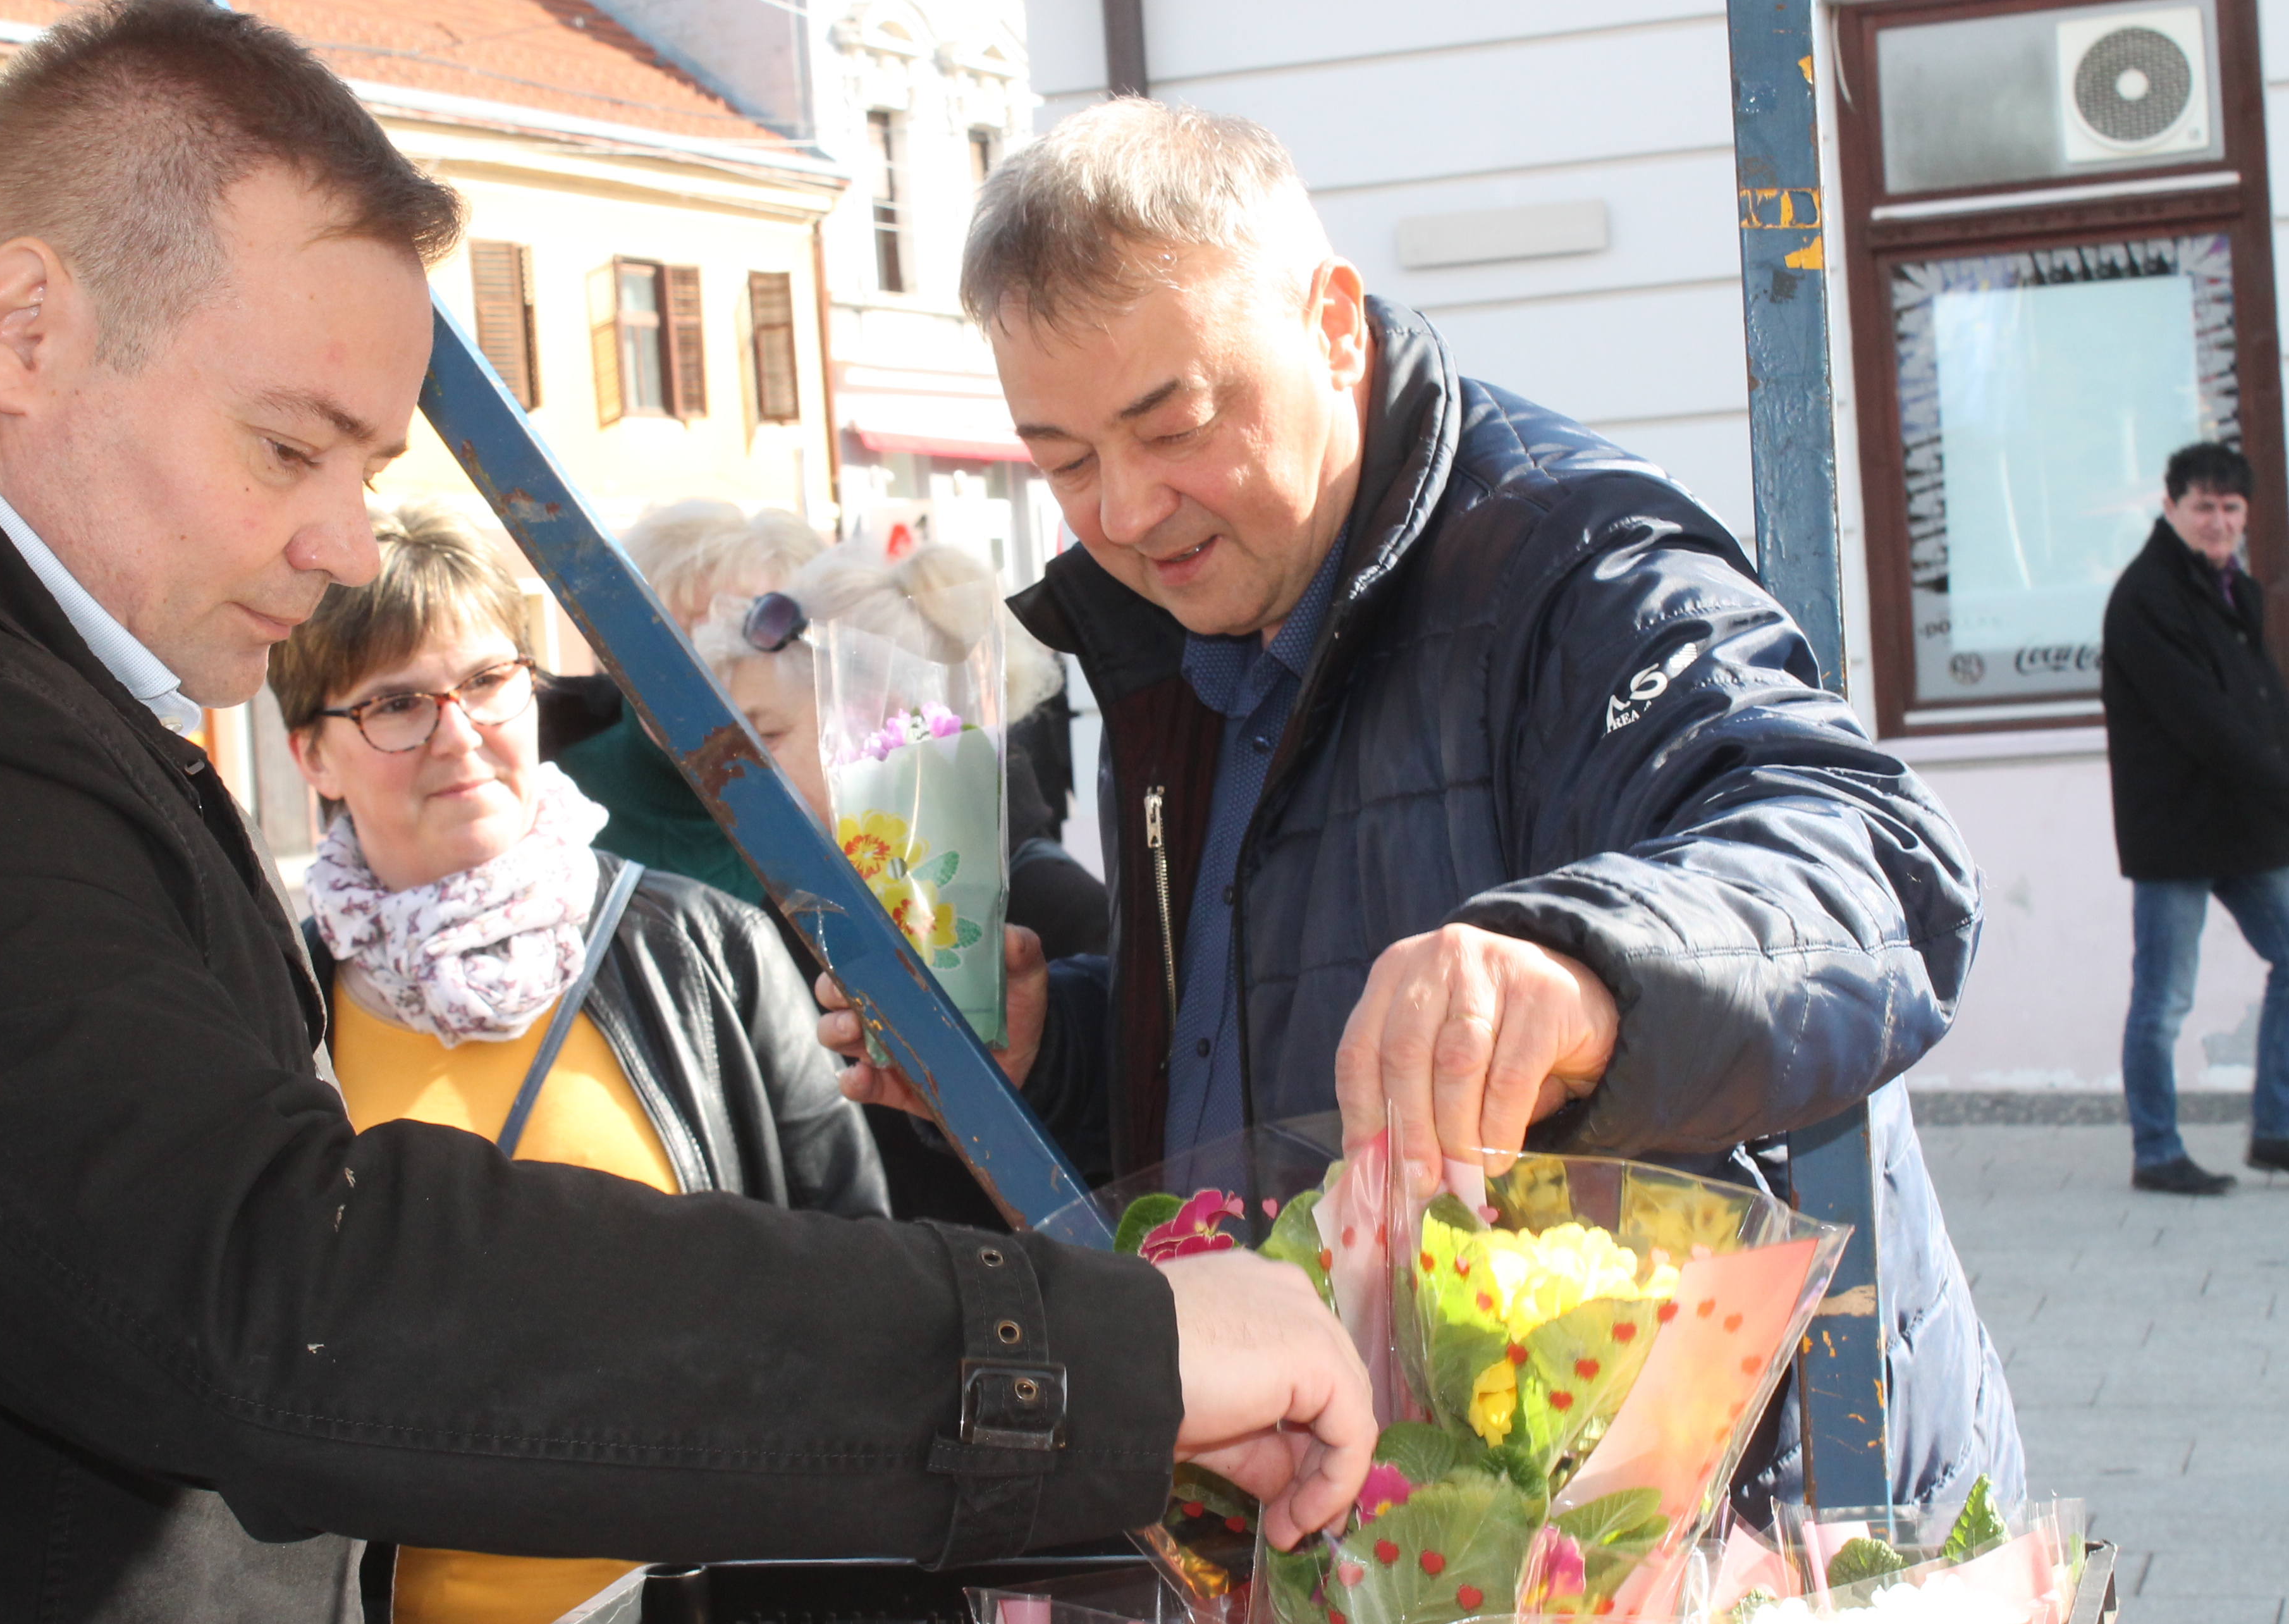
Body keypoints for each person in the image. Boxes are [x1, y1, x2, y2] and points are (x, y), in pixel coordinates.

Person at [0, 0, 1373, 1624]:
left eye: (364, 464)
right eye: (290, 445)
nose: (338, 538)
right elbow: (287, 1294)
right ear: (27, 329)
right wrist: (1095, 1365)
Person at [822, 97, 2022, 1517]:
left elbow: (1872, 862)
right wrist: (1061, 1049)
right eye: (1067, 461)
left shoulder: (1575, 559)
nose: (1131, 509)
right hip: (1406, 1524)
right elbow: (1264, 1042)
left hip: (1702, 1537)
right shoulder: (1172, 623)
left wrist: (1577, 964)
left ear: (1335, 324)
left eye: (1178, 426)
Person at [272, 498, 888, 1624]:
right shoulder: (275, 1004)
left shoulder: (707, 953)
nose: (458, 733)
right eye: (398, 703)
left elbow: (857, 1300)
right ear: (312, 749)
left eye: (489, 680)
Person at [696, 539, 1112, 965]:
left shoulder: (1059, 916)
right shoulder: (797, 910)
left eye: (767, 736)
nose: (734, 769)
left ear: (879, 720)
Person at [2101, 441, 2289, 1195]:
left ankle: (2276, 1129)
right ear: (2172, 505)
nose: (2219, 520)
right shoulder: (2147, 595)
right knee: (2164, 1000)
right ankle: (2156, 1152)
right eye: (2205, 505)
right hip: (2177, 830)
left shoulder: (2230, 587)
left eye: (2231, 508)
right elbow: (2204, 720)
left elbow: (2262, 701)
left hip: (2242, 824)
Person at [549, 498, 824, 906]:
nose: (715, 667)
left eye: (762, 632)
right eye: (679, 637)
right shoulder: (554, 799)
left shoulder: (843, 798)